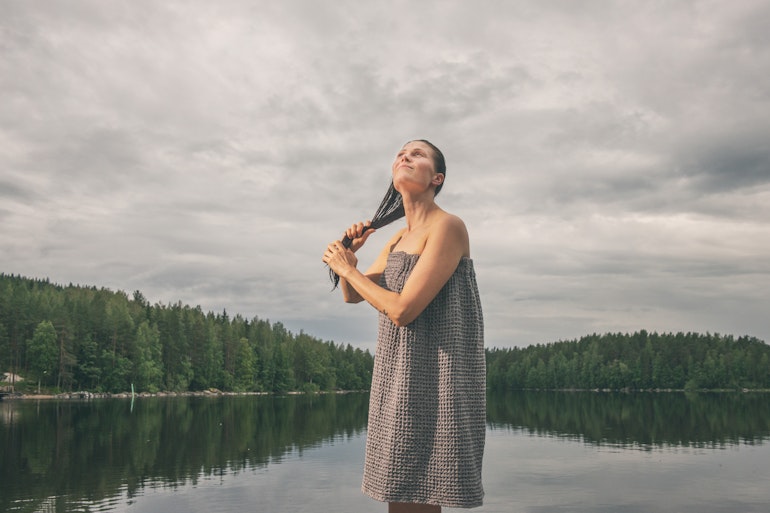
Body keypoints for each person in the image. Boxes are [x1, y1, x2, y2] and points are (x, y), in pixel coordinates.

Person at [323, 140, 485, 512]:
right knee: (402, 491)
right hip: (398, 377)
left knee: (424, 490)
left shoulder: (448, 226)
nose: (405, 157)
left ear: (436, 177)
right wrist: (352, 259)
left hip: (435, 378)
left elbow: (402, 310)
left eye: (417, 154)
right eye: (400, 153)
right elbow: (354, 295)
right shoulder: (397, 237)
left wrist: (347, 268)